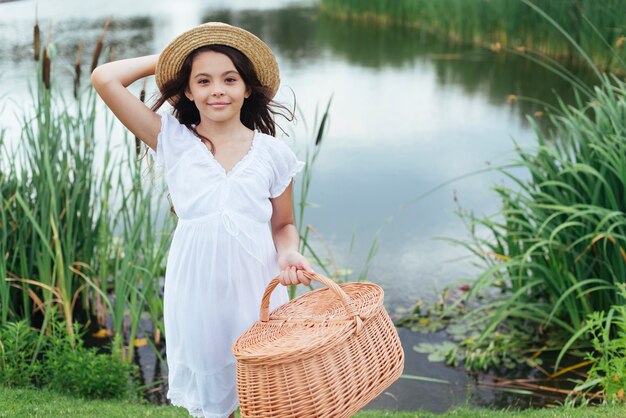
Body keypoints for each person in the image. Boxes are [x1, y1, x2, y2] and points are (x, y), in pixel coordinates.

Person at [91, 22, 313, 418]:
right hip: (196, 290)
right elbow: (105, 78)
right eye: (203, 80)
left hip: (257, 285)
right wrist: (173, 58)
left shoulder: (273, 154)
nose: (217, 90)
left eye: (230, 79)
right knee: (213, 401)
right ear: (188, 91)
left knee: (267, 394)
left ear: (247, 88)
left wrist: (290, 253)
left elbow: (283, 225)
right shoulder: (172, 140)